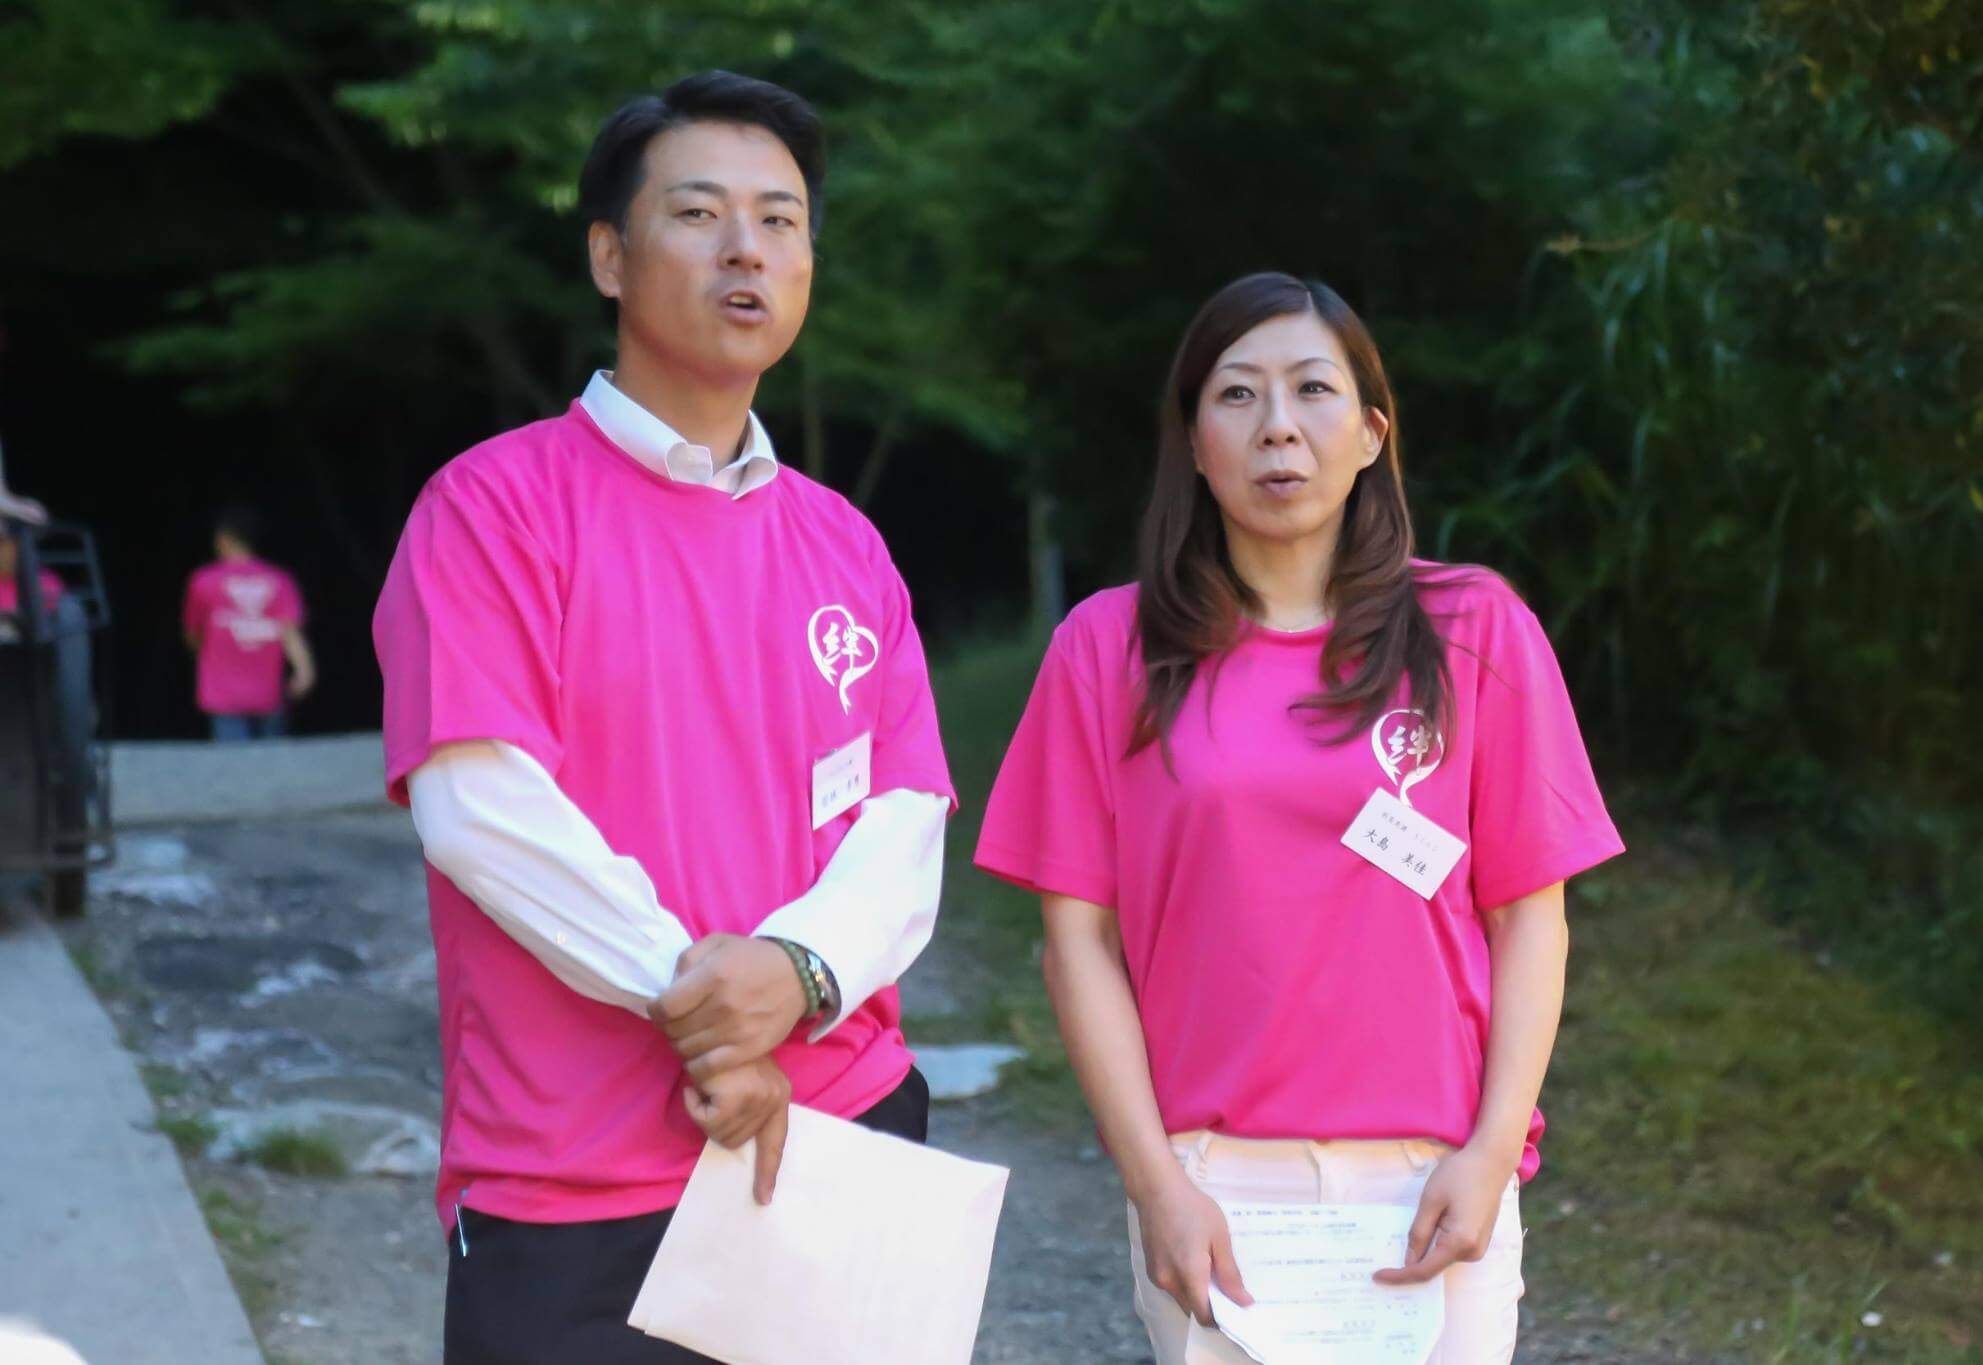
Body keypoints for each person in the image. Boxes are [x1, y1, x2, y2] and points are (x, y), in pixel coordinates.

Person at [370, 71, 953, 1364]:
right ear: (608, 257)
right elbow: (483, 811)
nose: (747, 247)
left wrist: (796, 977)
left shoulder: (844, 544)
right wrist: (711, 1013)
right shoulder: (490, 510)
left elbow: (904, 819)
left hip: (846, 1134)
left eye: (780, 220)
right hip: (579, 1175)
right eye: (698, 212)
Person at [975, 272, 1624, 1363]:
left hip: (1433, 1177)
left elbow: (1531, 918)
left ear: (1371, 433)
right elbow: (1076, 940)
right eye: (1236, 395)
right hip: (1213, 1187)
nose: (1277, 426)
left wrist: (1490, 1150)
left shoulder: (1473, 628)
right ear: (1193, 441)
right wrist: (1156, 1182)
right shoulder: (1107, 647)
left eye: (1312, 390)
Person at [179, 508, 314, 740]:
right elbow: (290, 632)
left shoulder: (203, 581)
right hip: (268, 692)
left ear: (222, 538)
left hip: (223, 695)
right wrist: (304, 670)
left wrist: (212, 655)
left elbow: (193, 634)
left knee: (234, 761)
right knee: (273, 760)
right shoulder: (279, 580)